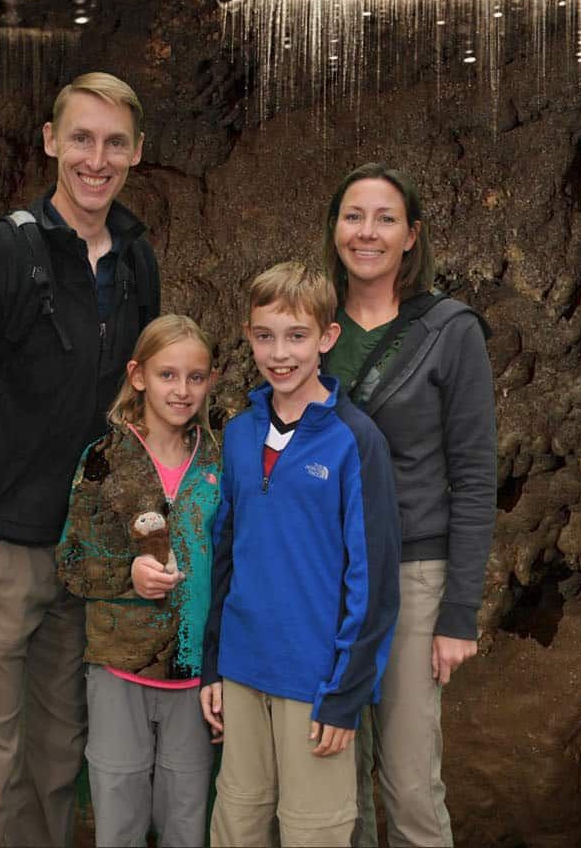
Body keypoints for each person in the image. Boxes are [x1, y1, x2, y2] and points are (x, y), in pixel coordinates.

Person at [0, 72, 161, 847]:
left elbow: (137, 409)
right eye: (81, 138)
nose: (98, 158)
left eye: (115, 142)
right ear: (50, 140)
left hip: (80, 557)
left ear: (136, 152)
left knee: (55, 763)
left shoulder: (136, 261)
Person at [322, 163, 497, 848]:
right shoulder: (309, 326)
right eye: (353, 215)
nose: (367, 231)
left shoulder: (449, 331)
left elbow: (476, 475)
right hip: (326, 574)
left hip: (412, 574)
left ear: (411, 236)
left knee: (410, 782)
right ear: (335, 228)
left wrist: (460, 612)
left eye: (385, 218)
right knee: (337, 775)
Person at [199, 261, 401, 848]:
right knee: (237, 823)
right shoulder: (237, 434)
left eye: (296, 336)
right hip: (241, 670)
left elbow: (374, 581)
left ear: (327, 338)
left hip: (314, 681)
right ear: (248, 335)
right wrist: (215, 663)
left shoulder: (354, 440)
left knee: (314, 831)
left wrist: (344, 695)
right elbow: (224, 556)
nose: (279, 353)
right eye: (265, 336)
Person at [55, 314, 222, 847]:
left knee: (187, 820)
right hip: (119, 668)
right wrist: (128, 573)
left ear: (211, 380)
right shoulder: (104, 459)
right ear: (139, 375)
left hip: (197, 677)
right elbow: (72, 561)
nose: (182, 389)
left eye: (196, 377)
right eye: (168, 375)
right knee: (119, 813)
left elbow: (235, 565)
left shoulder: (219, 462)